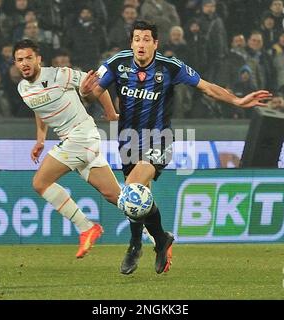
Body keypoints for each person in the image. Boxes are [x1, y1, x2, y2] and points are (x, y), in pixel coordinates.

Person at [79, 20, 272, 275]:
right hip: (127, 140)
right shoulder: (117, 63)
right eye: (137, 39)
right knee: (135, 200)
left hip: (159, 139)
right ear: (131, 43)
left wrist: (237, 100)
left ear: (155, 44)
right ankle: (158, 240)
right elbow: (93, 93)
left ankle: (136, 245)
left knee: (133, 190)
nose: (141, 44)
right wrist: (85, 92)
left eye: (147, 39)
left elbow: (207, 87)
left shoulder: (170, 67)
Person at [13, 39, 121, 259]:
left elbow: (97, 84)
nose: (24, 63)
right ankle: (157, 232)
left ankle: (86, 227)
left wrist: (110, 113)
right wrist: (40, 139)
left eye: (28, 58)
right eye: (19, 59)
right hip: (76, 142)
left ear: (39, 59)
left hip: (82, 135)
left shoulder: (58, 74)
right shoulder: (23, 88)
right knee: (115, 195)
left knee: (40, 182)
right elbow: (39, 108)